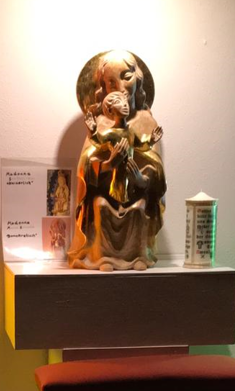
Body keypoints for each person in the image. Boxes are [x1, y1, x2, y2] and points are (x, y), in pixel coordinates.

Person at [68, 51, 166, 271]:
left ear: (138, 79)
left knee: (140, 208)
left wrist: (141, 180)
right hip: (107, 193)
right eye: (111, 82)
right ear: (103, 88)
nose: (120, 87)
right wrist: (107, 165)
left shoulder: (147, 122)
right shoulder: (101, 124)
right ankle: (101, 257)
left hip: (134, 194)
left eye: (126, 77)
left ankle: (139, 255)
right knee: (99, 205)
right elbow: (86, 165)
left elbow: (154, 165)